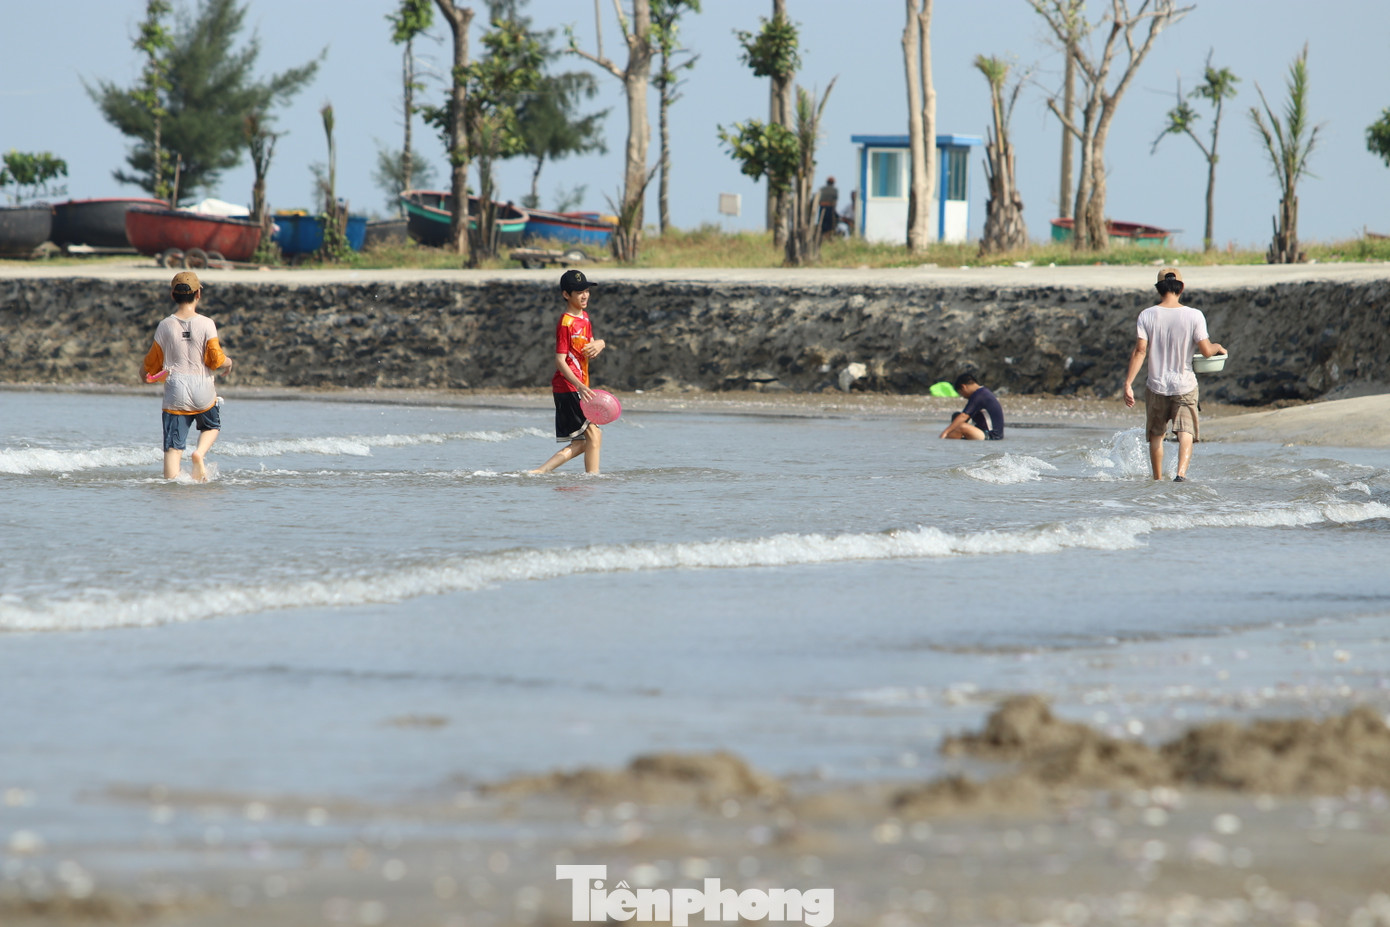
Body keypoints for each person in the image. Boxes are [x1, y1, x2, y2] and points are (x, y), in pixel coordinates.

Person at [1123, 267, 1226, 482]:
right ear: (1182, 288)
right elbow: (1206, 351)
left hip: (1156, 385)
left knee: (1156, 435)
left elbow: (1140, 351)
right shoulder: (1194, 315)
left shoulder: (1147, 315)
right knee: (1185, 431)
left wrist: (1128, 384)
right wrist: (1218, 347)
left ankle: (1157, 479)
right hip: (1185, 385)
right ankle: (1180, 474)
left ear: (1158, 289)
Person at [142, 271, 233, 481]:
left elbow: (152, 365)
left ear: (173, 295)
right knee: (211, 426)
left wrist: (143, 373)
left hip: (176, 391)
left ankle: (174, 486)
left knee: (173, 451)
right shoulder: (207, 323)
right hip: (203, 389)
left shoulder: (165, 325)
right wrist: (230, 362)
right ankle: (199, 453)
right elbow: (215, 360)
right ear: (198, 294)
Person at [530, 269, 608, 474]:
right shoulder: (566, 322)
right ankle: (592, 479)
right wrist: (580, 386)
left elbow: (591, 347)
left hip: (580, 386)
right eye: (579, 292)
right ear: (566, 294)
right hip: (569, 386)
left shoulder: (585, 318)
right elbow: (560, 361)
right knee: (593, 434)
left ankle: (539, 472)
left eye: (587, 291)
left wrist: (601, 343)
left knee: (586, 441)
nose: (585, 295)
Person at [940, 373, 1004, 440]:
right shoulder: (982, 392)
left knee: (961, 427)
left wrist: (945, 433)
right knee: (956, 416)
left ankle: (946, 441)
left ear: (963, 387)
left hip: (991, 435)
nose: (964, 397)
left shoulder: (979, 395)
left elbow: (964, 416)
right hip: (983, 431)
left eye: (961, 393)